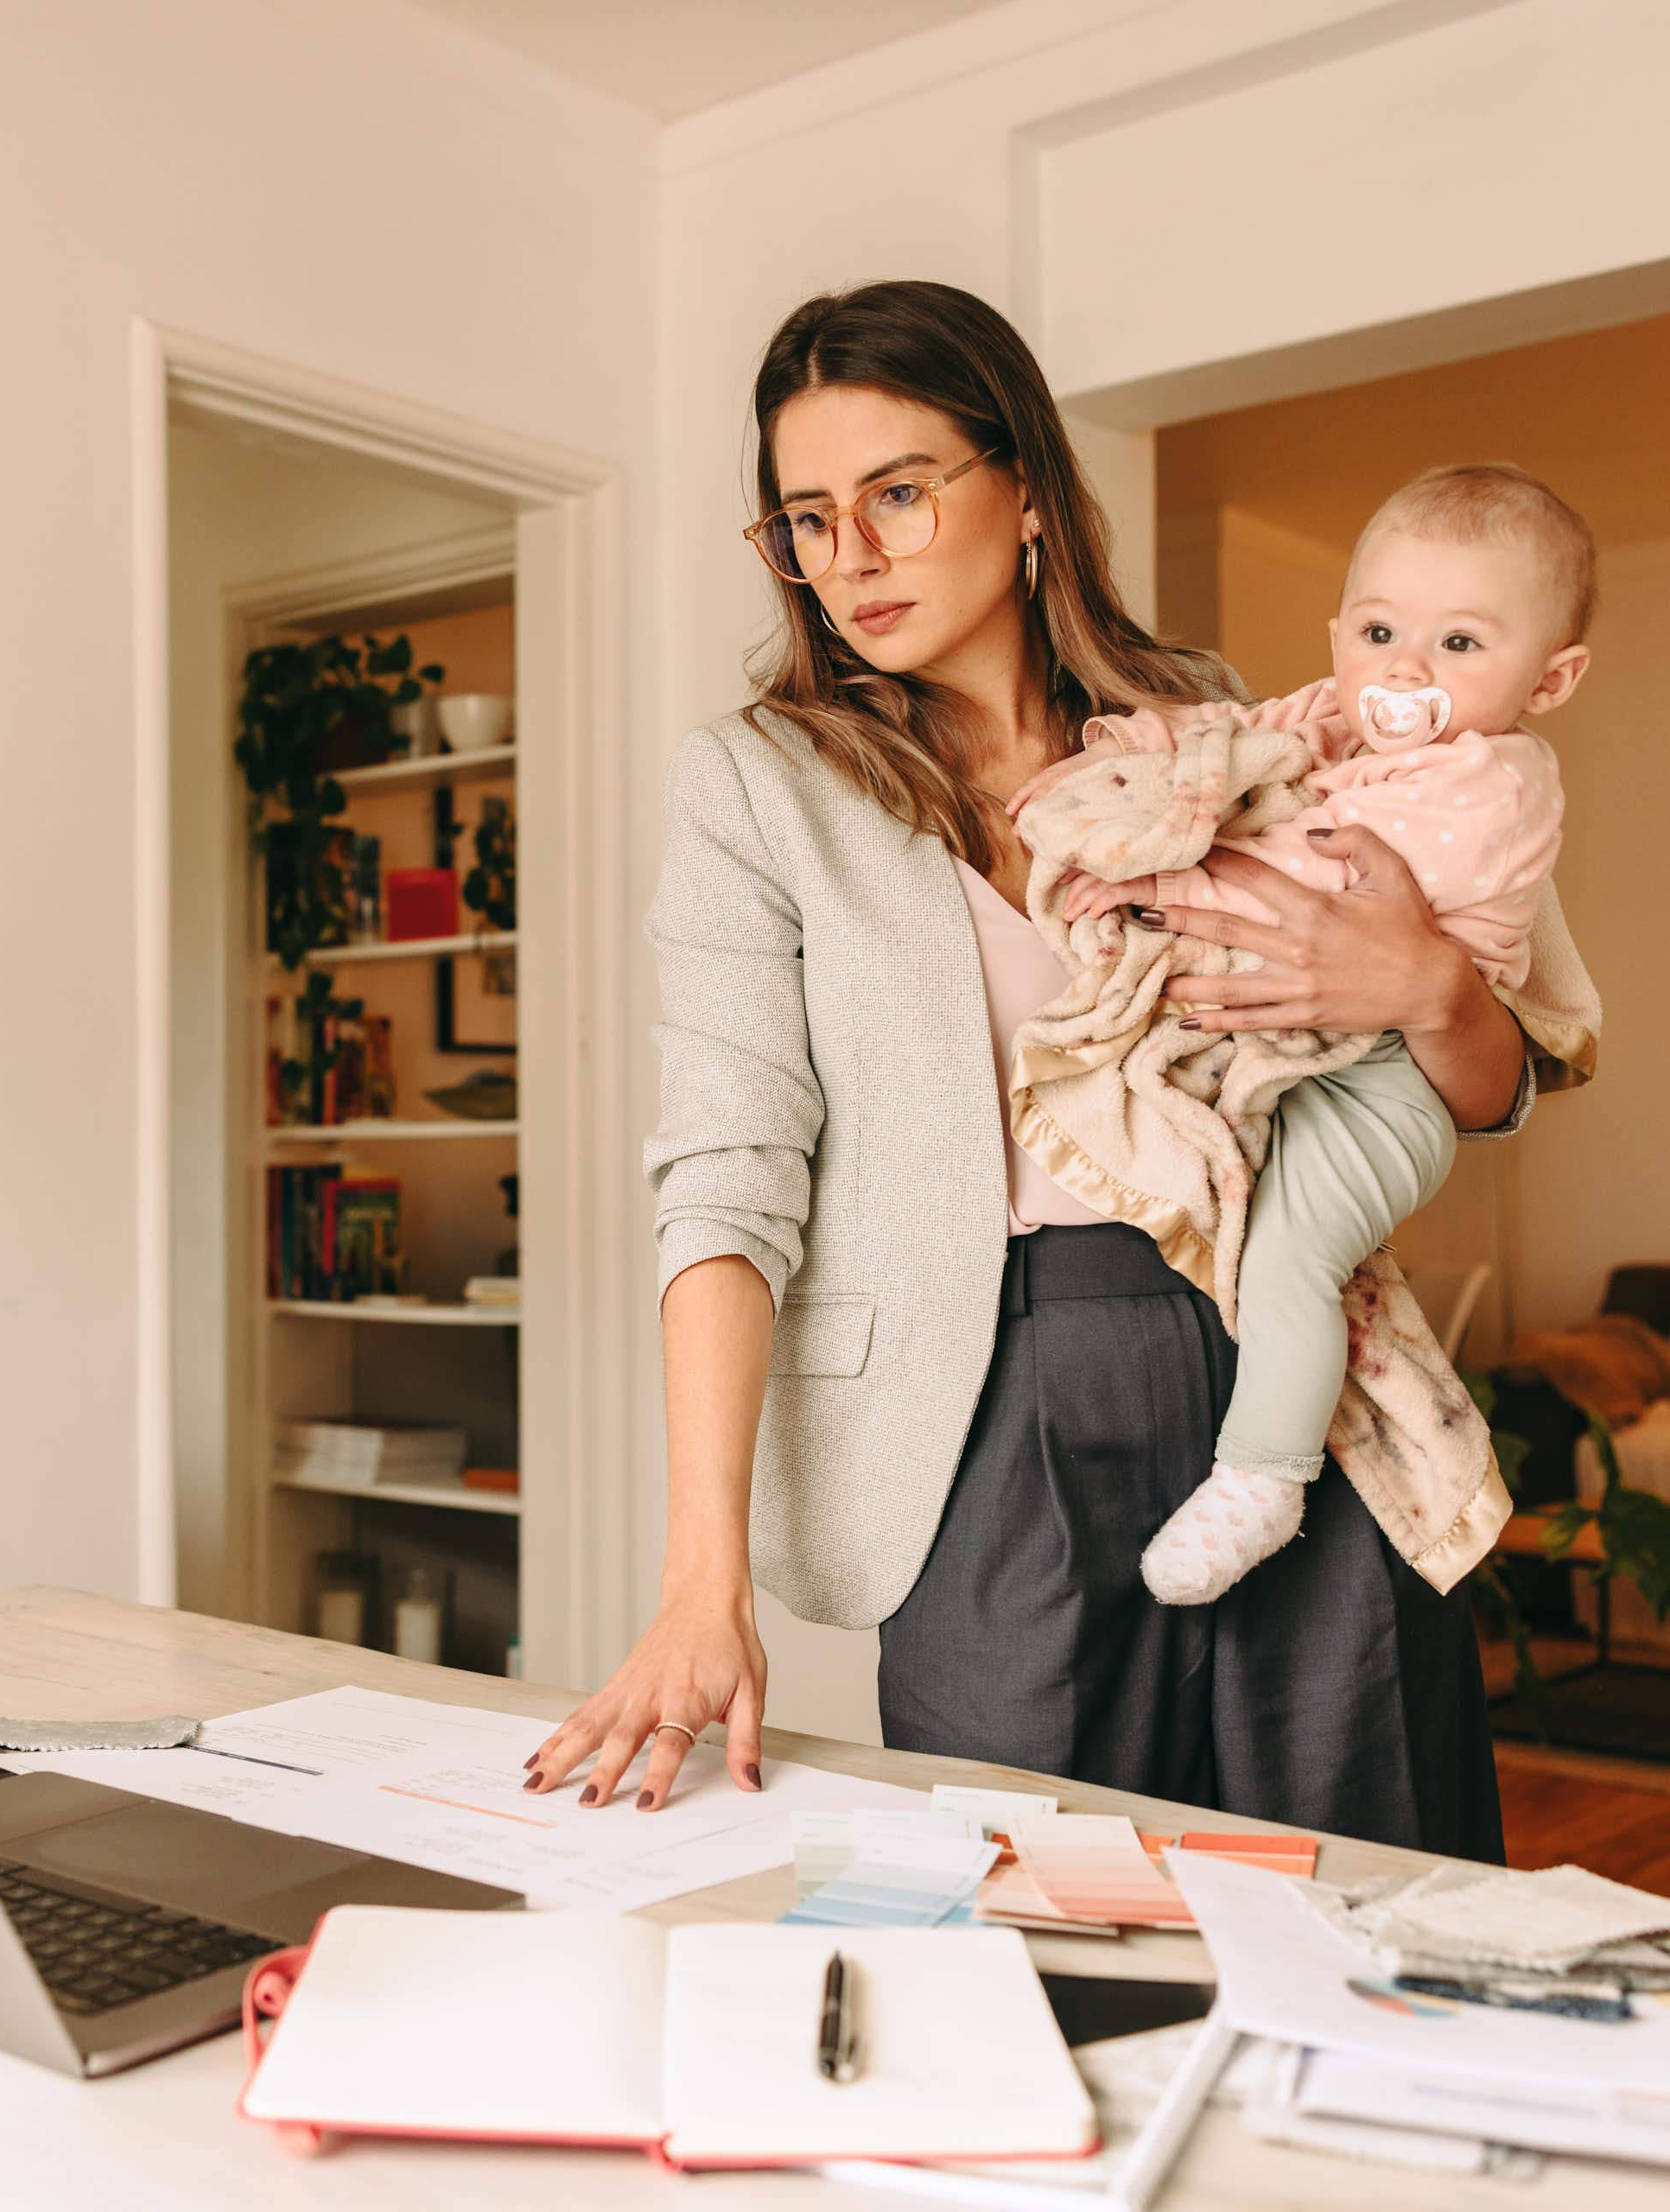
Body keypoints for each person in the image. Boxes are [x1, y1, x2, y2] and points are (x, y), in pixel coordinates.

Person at [522, 281, 1597, 1859]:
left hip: (1291, 1363)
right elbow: (726, 1181)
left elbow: (1495, 1075)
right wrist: (703, 1580)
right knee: (1030, 1903)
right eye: (807, 519)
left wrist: (1425, 984)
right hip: (985, 1405)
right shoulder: (759, 785)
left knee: (1361, 1873)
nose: (852, 556)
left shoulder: (1216, 720)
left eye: (897, 492)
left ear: (1023, 486)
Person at [1041, 462, 1592, 1605]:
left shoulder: (1491, 783)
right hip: (1297, 1054)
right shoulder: (1349, 721)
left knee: (1293, 1250)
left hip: (1385, 1086)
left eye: (1459, 644)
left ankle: (1264, 1477)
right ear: (1340, 634)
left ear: (1551, 679)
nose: (1404, 670)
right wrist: (1160, 758)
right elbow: (1253, 737)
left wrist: (1155, 864)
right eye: (1380, 632)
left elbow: (1314, 867)